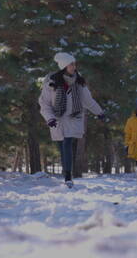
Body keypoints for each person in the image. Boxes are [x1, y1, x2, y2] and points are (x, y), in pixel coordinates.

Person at [38, 52, 105, 188]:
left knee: (67, 143)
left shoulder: (79, 82)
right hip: (57, 119)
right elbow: (44, 103)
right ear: (64, 66)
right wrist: (50, 118)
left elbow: (88, 100)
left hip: (73, 118)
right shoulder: (51, 82)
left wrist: (99, 112)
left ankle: (68, 176)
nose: (74, 66)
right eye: (71, 64)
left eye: (74, 64)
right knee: (62, 147)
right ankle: (66, 174)